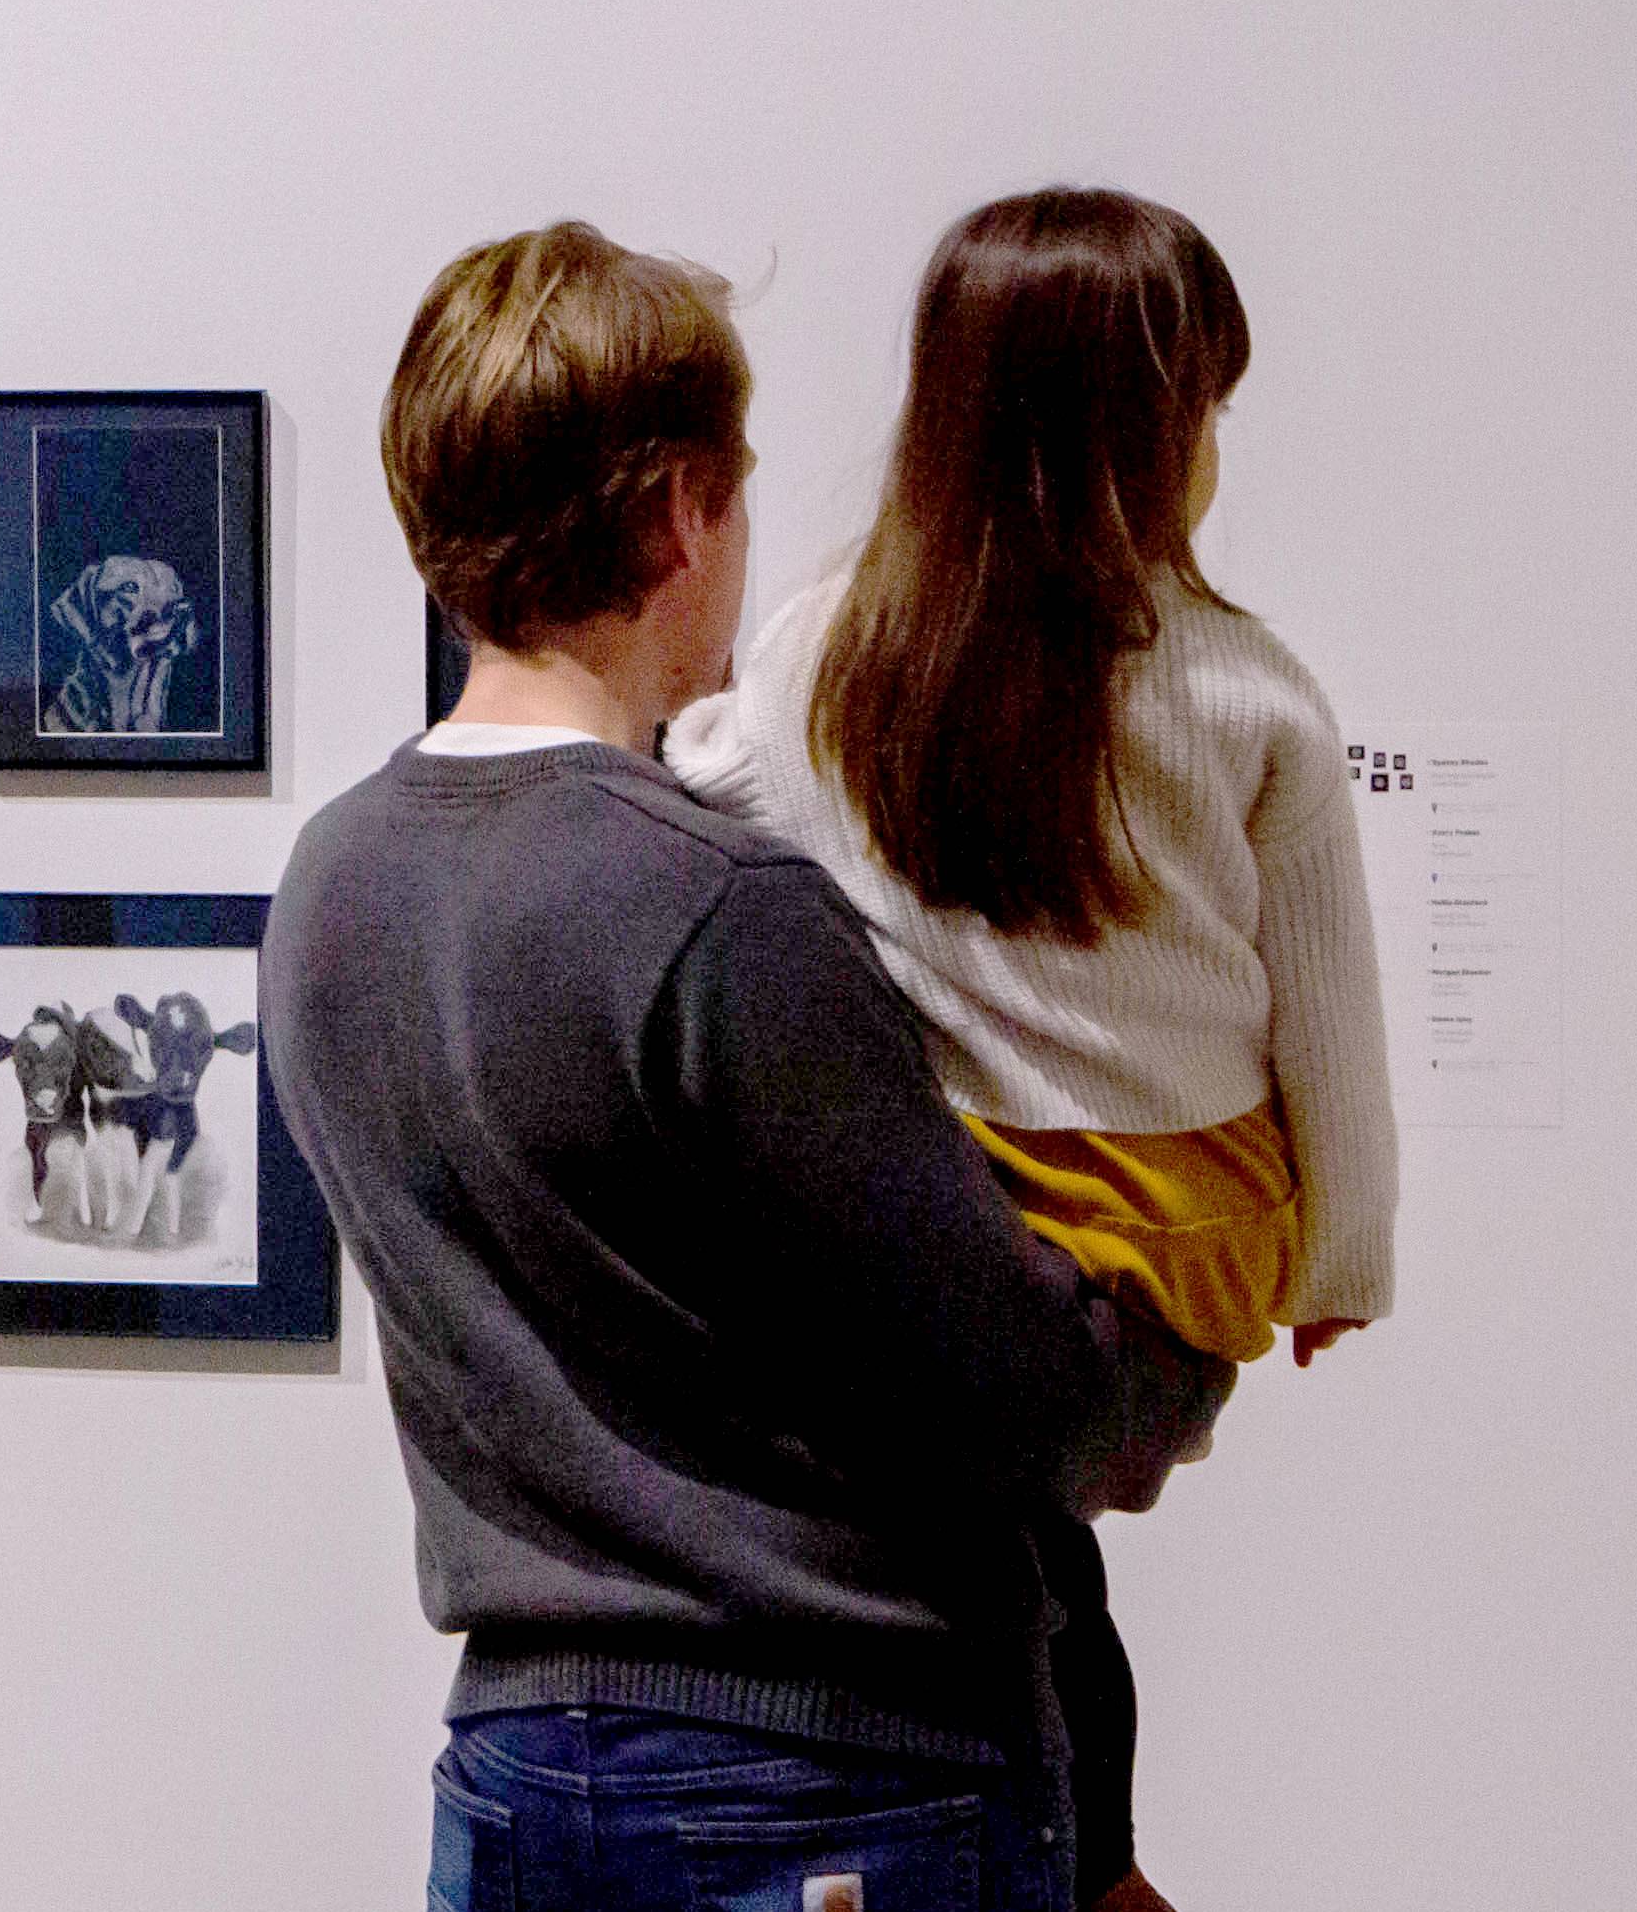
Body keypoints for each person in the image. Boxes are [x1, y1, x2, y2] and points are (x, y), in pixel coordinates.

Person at [262, 220, 1232, 1912]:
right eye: (742, 486)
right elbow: (1024, 1402)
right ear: (676, 510)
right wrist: (1202, 1320)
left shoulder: (333, 885)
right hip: (821, 1789)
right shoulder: (712, 903)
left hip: (509, 1773)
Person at [667, 185, 1399, 1907]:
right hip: (1181, 1261)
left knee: (983, 1528)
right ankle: (1101, 1862)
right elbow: (1335, 1029)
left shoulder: (828, 655)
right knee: (1023, 1544)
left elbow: (703, 794)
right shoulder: (1248, 692)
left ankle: (1086, 1854)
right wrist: (1342, 1265)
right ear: (1152, 435)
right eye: (1204, 410)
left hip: (966, 1249)